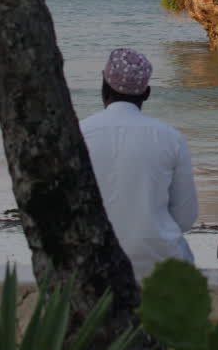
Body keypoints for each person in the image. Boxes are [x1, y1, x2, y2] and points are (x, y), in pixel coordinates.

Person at [80, 48, 199, 280]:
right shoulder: (169, 137)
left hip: (95, 265)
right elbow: (186, 217)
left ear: (104, 85)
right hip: (160, 267)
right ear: (146, 93)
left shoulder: (80, 134)